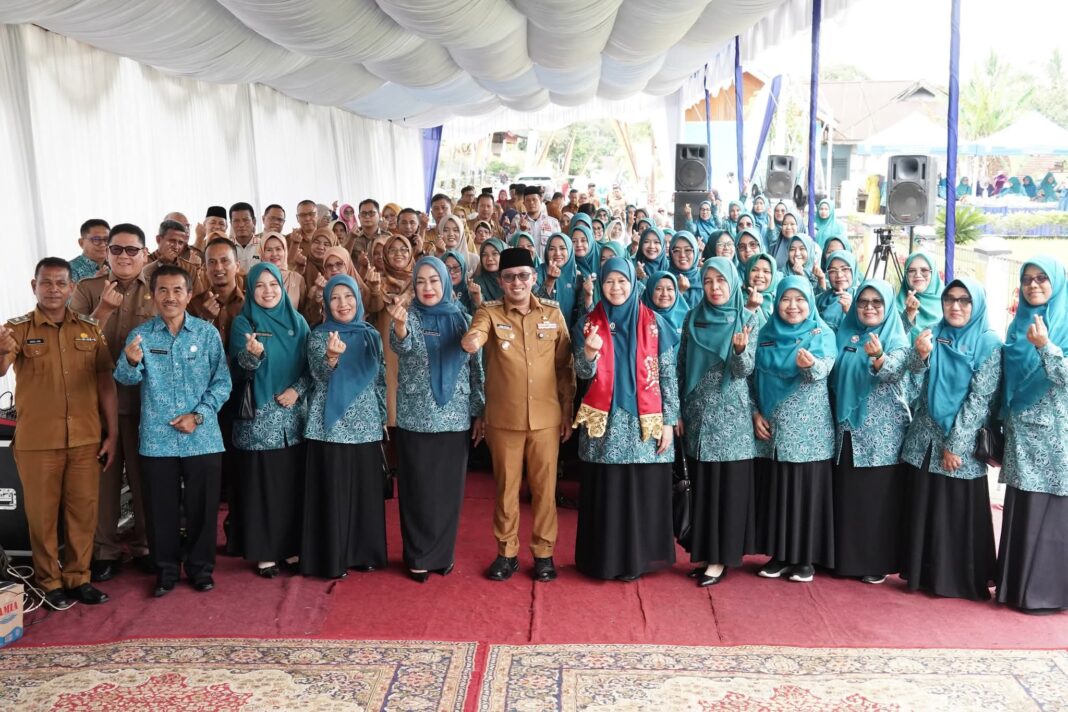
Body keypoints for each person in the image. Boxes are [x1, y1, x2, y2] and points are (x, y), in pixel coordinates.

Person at [0, 258, 117, 608]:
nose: (53, 289)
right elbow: (2, 368)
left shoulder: (89, 329)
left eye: (60, 283)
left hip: (85, 438)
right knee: (42, 516)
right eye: (46, 282)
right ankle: (49, 581)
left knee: (83, 512)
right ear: (33, 286)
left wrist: (112, 434)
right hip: (38, 442)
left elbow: (105, 381)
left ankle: (79, 578)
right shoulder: (16, 329)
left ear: (71, 288)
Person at [115, 264, 231, 597]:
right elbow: (125, 379)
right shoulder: (141, 335)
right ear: (153, 295)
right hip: (158, 440)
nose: (170, 297)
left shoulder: (207, 334)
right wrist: (130, 361)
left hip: (202, 437)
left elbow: (222, 383)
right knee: (160, 510)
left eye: (177, 290)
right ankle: (165, 571)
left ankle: (200, 569)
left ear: (189, 295)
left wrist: (198, 415)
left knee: (202, 509)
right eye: (163, 290)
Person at [462, 248, 576, 582]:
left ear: (534, 278)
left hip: (546, 418)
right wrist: (472, 340)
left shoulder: (552, 314)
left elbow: (565, 367)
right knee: (506, 489)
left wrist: (567, 409)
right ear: (500, 281)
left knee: (544, 490)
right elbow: (478, 332)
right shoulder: (489, 312)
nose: (517, 283)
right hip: (504, 419)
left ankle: (544, 554)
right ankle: (506, 553)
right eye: (509, 277)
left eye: (523, 276)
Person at [571, 257, 678, 581]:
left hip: (645, 422)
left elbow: (668, 376)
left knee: (641, 489)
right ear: (600, 285)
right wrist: (589, 354)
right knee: (608, 491)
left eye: (622, 281)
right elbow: (582, 374)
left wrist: (670, 422)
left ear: (633, 283)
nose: (615, 288)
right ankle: (605, 561)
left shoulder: (655, 324)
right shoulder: (587, 324)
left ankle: (640, 560)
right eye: (609, 281)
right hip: (604, 422)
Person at [900, 277, 1001, 600]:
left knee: (954, 511)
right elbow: (912, 378)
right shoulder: (934, 333)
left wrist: (955, 445)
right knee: (926, 506)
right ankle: (923, 575)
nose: (955, 306)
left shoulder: (988, 342)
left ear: (976, 304)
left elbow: (980, 400)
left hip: (961, 444)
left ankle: (955, 580)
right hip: (924, 439)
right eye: (950, 299)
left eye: (964, 300)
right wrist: (920, 355)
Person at [388, 257, 485, 582]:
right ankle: (418, 556)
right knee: (417, 490)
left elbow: (476, 370)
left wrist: (479, 411)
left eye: (433, 280)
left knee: (448, 492)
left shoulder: (464, 319)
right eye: (421, 281)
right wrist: (399, 327)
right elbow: (402, 345)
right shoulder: (408, 317)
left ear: (445, 281)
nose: (427, 287)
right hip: (416, 419)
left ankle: (442, 555)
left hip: (455, 419)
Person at [70, 224, 154, 583]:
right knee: (103, 482)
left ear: (144, 254)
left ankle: (146, 545)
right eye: (116, 249)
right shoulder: (87, 290)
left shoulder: (157, 290)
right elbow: (72, 342)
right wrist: (102, 310)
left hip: (145, 403)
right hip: (96, 404)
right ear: (106, 253)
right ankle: (103, 551)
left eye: (132, 250)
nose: (124, 256)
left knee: (144, 479)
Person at [678, 257, 758, 587]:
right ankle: (706, 552)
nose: (714, 287)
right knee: (704, 488)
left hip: (732, 419)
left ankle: (720, 558)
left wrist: (739, 351)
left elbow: (744, 371)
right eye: (708, 280)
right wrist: (677, 411)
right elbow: (682, 366)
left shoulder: (747, 318)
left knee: (727, 489)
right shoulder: (692, 317)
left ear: (733, 282)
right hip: (698, 416)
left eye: (721, 280)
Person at [301, 275, 387, 578]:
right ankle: (332, 558)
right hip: (330, 426)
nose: (342, 304)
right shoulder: (318, 336)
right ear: (326, 303)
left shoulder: (371, 335)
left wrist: (382, 418)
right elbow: (318, 376)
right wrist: (331, 358)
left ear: (358, 299)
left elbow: (380, 380)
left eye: (348, 296)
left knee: (365, 493)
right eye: (335, 298)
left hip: (366, 424)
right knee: (332, 494)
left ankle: (364, 554)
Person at [752, 276, 837, 583]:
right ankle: (779, 554)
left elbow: (823, 370)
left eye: (800, 299)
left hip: (808, 434)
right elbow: (749, 377)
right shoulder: (765, 333)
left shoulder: (821, 333)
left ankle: (804, 559)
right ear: (776, 302)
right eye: (786, 299)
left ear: (810, 302)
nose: (793, 306)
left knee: (805, 494)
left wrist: (810, 366)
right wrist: (754, 412)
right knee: (777, 492)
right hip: (771, 428)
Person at [230, 262, 310, 578]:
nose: (268, 291)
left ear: (282, 286)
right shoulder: (244, 322)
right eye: (260, 286)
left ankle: (290, 547)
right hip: (258, 420)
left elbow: (312, 368)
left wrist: (296, 390)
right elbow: (239, 369)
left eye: (273, 284)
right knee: (262, 487)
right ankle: (265, 552)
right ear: (251, 290)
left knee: (291, 485)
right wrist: (253, 354)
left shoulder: (298, 322)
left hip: (293, 418)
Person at [997, 257, 1068, 613]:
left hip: (1054, 440)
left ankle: (1044, 594)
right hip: (1019, 436)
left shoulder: (1064, 325)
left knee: (1048, 513)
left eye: (1041, 278)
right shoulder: (1017, 326)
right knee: (1022, 509)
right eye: (1027, 279)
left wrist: (1045, 346)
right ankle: (1015, 589)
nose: (1033, 285)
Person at [830, 279, 911, 584]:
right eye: (863, 302)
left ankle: (874, 562)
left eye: (877, 303)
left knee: (875, 498)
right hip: (845, 430)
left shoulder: (897, 339)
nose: (869, 308)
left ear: (888, 306)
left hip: (882, 435)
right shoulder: (844, 333)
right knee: (848, 494)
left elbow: (893, 372)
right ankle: (843, 559)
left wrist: (878, 358)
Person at [189, 238, 245, 351]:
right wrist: (205, 319)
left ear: (237, 266)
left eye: (225, 261)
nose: (218, 268)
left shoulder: (250, 303)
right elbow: (188, 348)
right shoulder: (194, 305)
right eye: (212, 262)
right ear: (205, 268)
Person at [537, 232, 582, 330]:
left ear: (570, 250)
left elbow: (581, 314)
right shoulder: (537, 273)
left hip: (568, 333)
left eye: (562, 248)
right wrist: (549, 281)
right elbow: (535, 304)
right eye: (552, 249)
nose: (557, 253)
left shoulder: (577, 277)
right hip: (541, 332)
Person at [896, 252, 944, 340]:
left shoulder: (948, 302)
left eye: (924, 270)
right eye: (911, 270)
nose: (918, 275)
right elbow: (893, 339)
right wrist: (908, 314)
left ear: (933, 273)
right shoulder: (895, 306)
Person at [260, 232, 308, 311]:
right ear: (262, 253)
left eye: (278, 249)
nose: (274, 254)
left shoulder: (297, 278)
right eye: (269, 250)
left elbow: (303, 311)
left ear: (285, 251)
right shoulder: (256, 278)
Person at [640, 271, 689, 343]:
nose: (664, 294)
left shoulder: (687, 318)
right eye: (658, 289)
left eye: (669, 289)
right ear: (650, 291)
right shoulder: (639, 317)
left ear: (676, 292)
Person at [816, 251, 860, 331]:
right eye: (833, 270)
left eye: (845, 269)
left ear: (854, 270)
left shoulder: (862, 298)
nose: (839, 275)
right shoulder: (820, 299)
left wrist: (851, 312)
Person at [513, 185, 561, 257]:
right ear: (524, 203)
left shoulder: (553, 223)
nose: (531, 203)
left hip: (546, 263)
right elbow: (511, 244)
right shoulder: (517, 222)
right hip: (526, 263)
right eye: (528, 200)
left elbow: (558, 245)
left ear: (541, 200)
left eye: (534, 199)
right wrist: (521, 230)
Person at [668, 231, 702, 308]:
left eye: (688, 250)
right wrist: (679, 292)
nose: (682, 255)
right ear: (671, 253)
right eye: (676, 251)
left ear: (695, 252)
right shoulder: (664, 280)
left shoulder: (705, 279)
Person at [230, 202, 260, 272]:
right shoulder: (226, 247)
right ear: (231, 223)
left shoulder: (263, 245)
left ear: (254, 222)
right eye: (236, 221)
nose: (241, 225)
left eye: (245, 220)